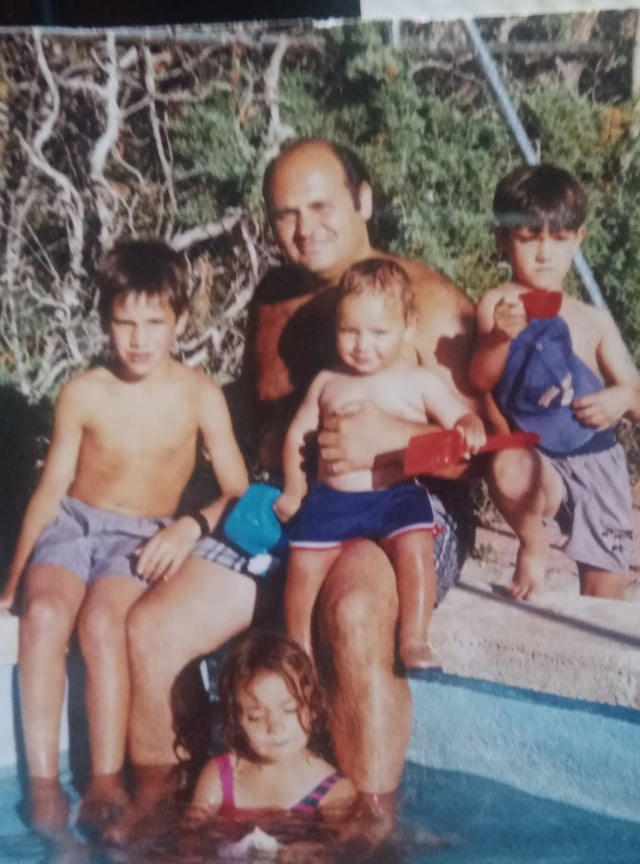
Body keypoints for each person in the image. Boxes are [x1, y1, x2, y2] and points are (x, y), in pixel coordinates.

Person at [125, 138, 485, 812]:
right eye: (285, 213)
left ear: (364, 201)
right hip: (290, 503)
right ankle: (172, 824)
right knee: (152, 629)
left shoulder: (426, 302)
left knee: (349, 613)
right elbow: (260, 421)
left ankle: (365, 833)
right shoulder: (274, 297)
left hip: (403, 503)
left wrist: (399, 441)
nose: (304, 228)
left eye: (321, 206)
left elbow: (475, 455)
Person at [3, 239, 250, 825]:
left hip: (140, 536)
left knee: (102, 623)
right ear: (103, 321)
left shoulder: (198, 394)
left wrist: (189, 528)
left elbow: (240, 490)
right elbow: (52, 488)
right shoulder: (84, 392)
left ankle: (106, 781)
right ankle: (42, 787)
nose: (138, 339)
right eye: (124, 323)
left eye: (154, 323)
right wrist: (13, 579)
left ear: (181, 322)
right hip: (73, 525)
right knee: (42, 619)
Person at [275, 258, 486, 670]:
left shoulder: (418, 381)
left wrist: (470, 426)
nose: (362, 344)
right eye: (349, 330)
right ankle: (298, 646)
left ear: (407, 326)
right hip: (333, 499)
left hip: (395, 495)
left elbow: (459, 416)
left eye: (378, 332)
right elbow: (298, 435)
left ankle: (414, 638)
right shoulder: (328, 382)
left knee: (416, 550)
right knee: (302, 565)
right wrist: (294, 489)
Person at [470, 163, 640, 601]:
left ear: (578, 238)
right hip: (538, 464)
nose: (545, 254)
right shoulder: (500, 304)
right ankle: (533, 542)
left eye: (559, 240)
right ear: (503, 239)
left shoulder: (594, 320)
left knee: (605, 596)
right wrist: (497, 339)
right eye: (530, 238)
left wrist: (621, 397)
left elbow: (637, 397)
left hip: (598, 461)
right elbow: (480, 379)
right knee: (506, 465)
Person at [190, 629, 354, 817]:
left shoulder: (333, 792)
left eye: (289, 710)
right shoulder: (219, 777)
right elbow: (191, 839)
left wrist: (305, 848)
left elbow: (341, 846)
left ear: (314, 708)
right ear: (236, 721)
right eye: (256, 717)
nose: (275, 727)